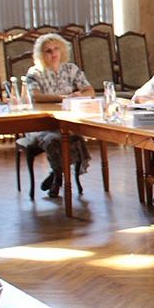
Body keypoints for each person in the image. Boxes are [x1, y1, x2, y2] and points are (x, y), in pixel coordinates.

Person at [24, 33, 94, 197]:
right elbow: (35, 96)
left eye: (56, 49)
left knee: (76, 138)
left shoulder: (71, 69)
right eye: (48, 51)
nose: (53, 53)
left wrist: (78, 95)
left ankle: (56, 174)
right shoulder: (35, 72)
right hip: (41, 124)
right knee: (54, 140)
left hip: (66, 121)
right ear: (41, 54)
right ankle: (58, 177)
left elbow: (89, 91)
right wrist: (63, 98)